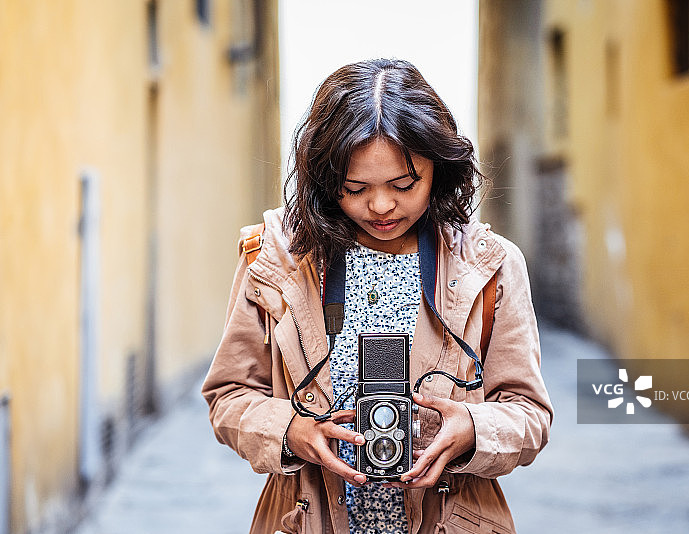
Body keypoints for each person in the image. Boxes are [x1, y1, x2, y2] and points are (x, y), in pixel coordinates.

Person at [202, 58, 553, 534]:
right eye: (356, 188)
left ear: (440, 169)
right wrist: (291, 430)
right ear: (325, 180)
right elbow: (228, 395)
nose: (382, 205)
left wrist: (473, 429)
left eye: (405, 185)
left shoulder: (492, 265)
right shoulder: (275, 259)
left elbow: (529, 414)